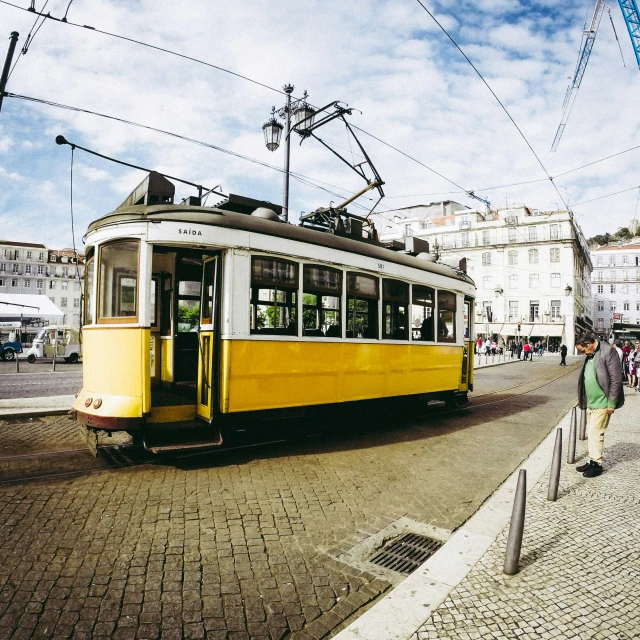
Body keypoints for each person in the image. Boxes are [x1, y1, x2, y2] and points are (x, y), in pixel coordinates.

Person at [575, 332, 624, 478]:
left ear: (589, 344)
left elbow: (616, 379)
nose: (583, 354)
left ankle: (597, 465)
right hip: (591, 401)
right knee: (591, 432)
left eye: (583, 350)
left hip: (603, 402)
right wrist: (582, 398)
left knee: (596, 432)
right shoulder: (590, 355)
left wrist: (611, 403)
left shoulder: (608, 351)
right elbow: (588, 377)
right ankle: (591, 460)